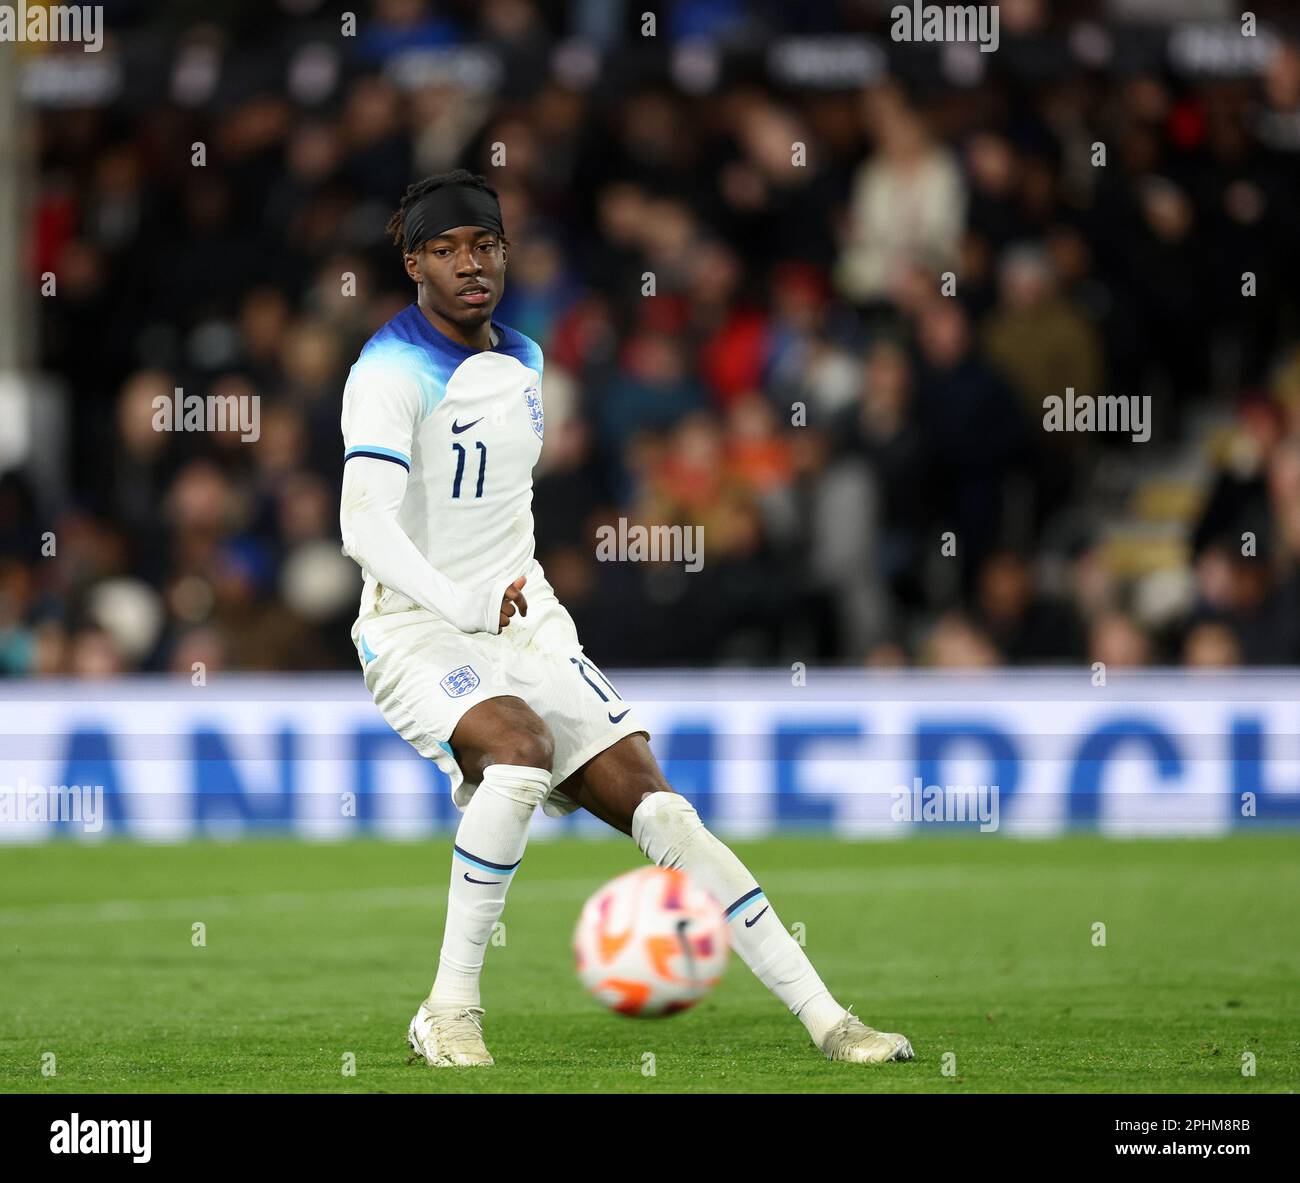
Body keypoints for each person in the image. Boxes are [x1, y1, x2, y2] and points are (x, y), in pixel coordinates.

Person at [338, 169, 914, 1068]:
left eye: (483, 244)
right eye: (445, 250)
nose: (469, 264)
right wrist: (458, 600)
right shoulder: (386, 370)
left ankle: (831, 1020)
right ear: (413, 263)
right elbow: (362, 521)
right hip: (416, 626)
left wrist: (520, 597)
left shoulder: (528, 361)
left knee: (668, 814)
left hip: (525, 621)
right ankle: (448, 1012)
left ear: (505, 250)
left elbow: (501, 505)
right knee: (519, 753)